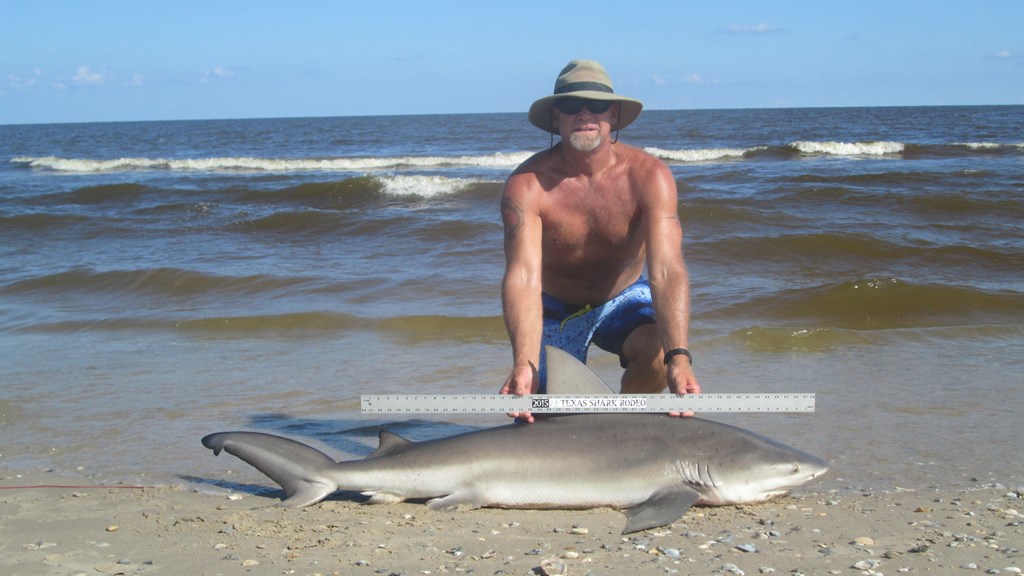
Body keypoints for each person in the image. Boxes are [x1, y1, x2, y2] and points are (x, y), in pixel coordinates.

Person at [499, 59, 700, 423]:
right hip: (553, 307)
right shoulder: (527, 186)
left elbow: (667, 271)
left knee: (659, 356)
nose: (584, 114)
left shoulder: (649, 177)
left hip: (622, 297)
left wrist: (680, 358)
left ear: (614, 114)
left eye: (596, 104)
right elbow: (523, 277)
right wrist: (523, 363)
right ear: (556, 116)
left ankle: (619, 429)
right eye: (572, 105)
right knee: (539, 417)